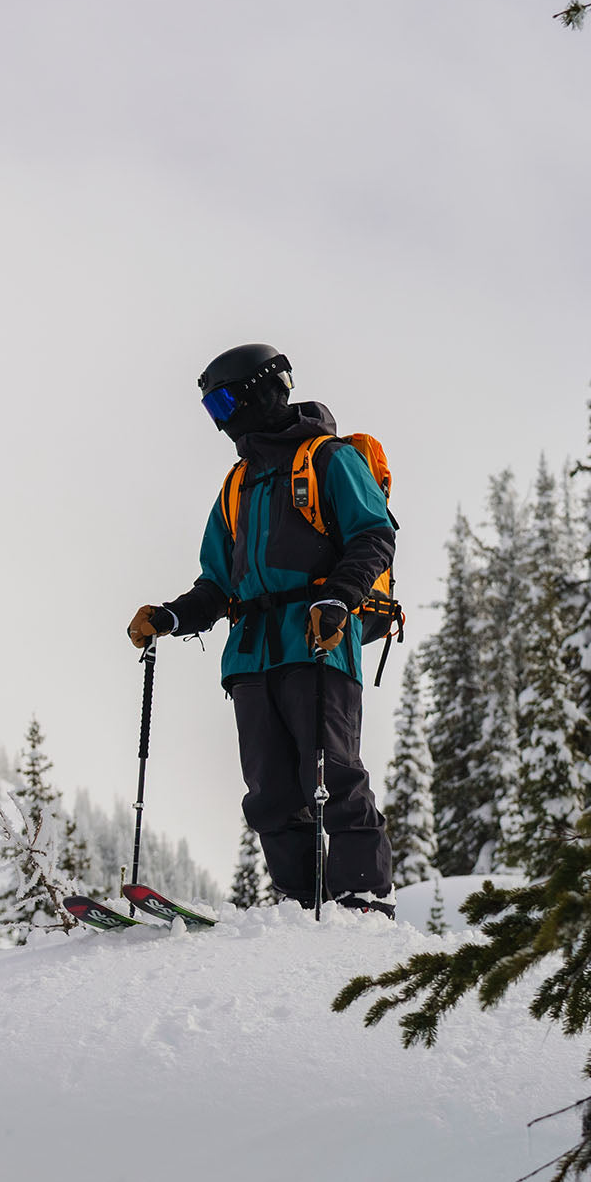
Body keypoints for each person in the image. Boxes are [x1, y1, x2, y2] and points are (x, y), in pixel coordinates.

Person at [128, 343, 396, 916]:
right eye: (211, 410)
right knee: (271, 794)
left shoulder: (329, 459)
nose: (223, 420)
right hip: (251, 659)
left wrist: (339, 600)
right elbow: (217, 585)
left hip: (317, 641)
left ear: (264, 390)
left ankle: (364, 907)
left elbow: (373, 534)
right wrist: (171, 617)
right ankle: (303, 907)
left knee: (332, 777)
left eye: (225, 401)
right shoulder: (236, 486)